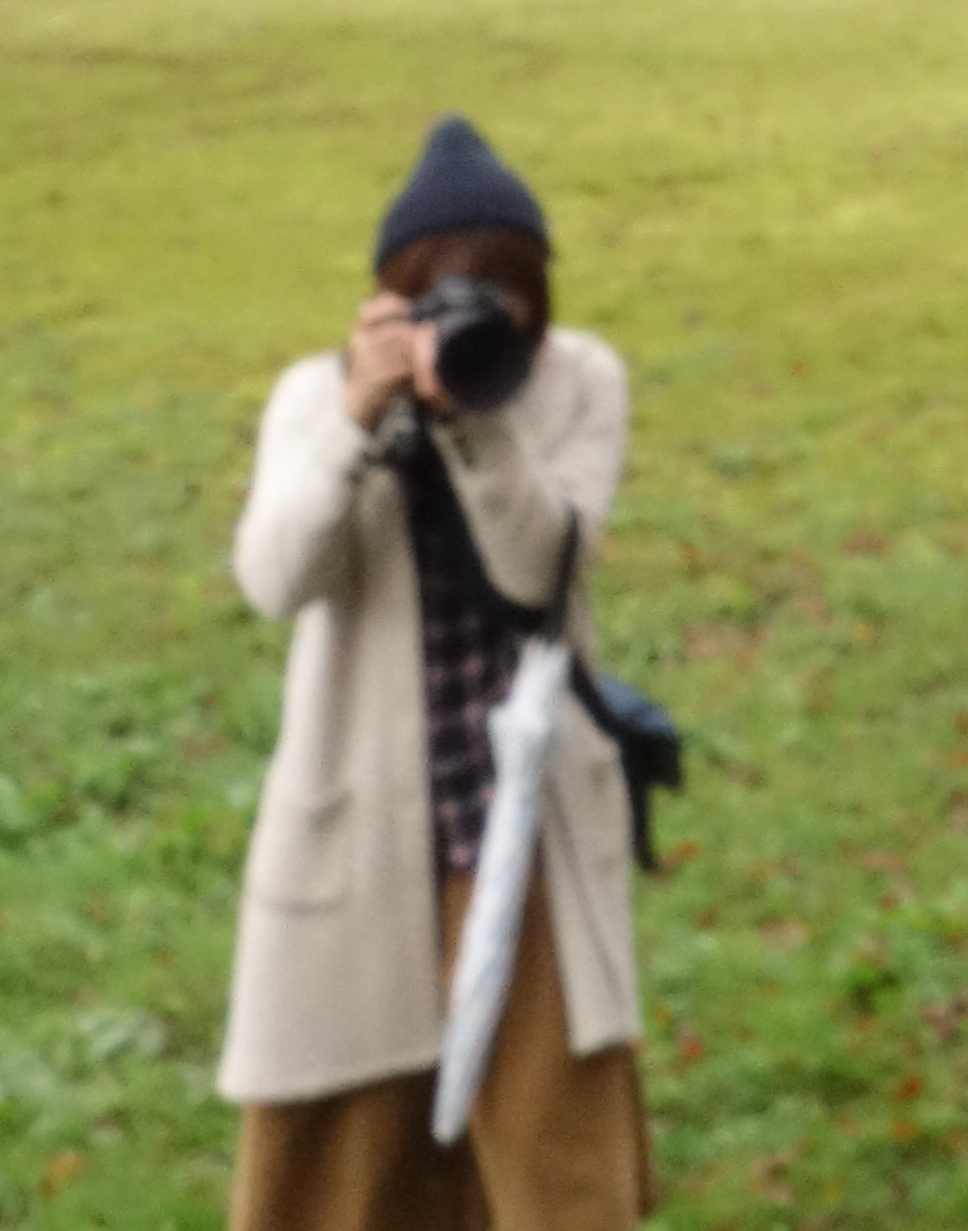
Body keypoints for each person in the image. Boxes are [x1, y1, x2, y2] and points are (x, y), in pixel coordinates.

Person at [220, 115, 652, 1231]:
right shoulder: (316, 399)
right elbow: (274, 580)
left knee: (556, 1160)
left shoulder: (577, 383)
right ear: (391, 300)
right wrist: (360, 423)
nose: (479, 315)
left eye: (504, 291)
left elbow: (543, 572)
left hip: (529, 821)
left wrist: (480, 428)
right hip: (362, 822)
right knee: (343, 1163)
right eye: (449, 293)